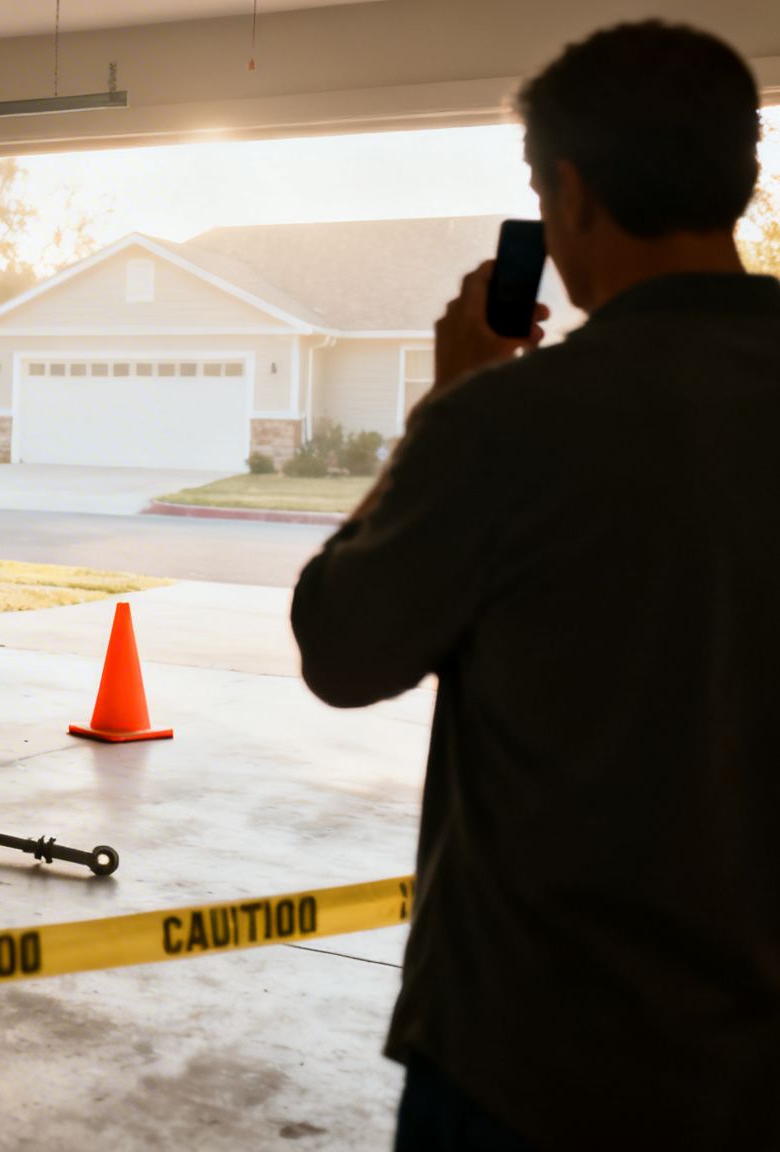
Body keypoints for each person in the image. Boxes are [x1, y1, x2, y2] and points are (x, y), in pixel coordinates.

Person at [290, 21, 779, 1151]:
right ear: (736, 180)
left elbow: (342, 648)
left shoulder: (503, 424)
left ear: (568, 193)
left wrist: (441, 406)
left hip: (532, 1062)